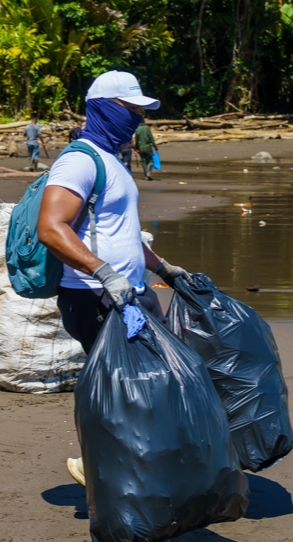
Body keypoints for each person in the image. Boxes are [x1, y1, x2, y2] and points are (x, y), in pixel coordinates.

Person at [36, 71, 187, 486]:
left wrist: (162, 268)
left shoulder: (112, 161)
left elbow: (121, 232)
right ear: (103, 108)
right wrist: (104, 273)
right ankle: (104, 465)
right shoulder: (79, 160)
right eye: (131, 109)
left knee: (146, 382)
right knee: (123, 384)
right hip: (94, 296)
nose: (138, 118)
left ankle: (123, 463)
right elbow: (51, 227)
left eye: (141, 111)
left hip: (130, 292)